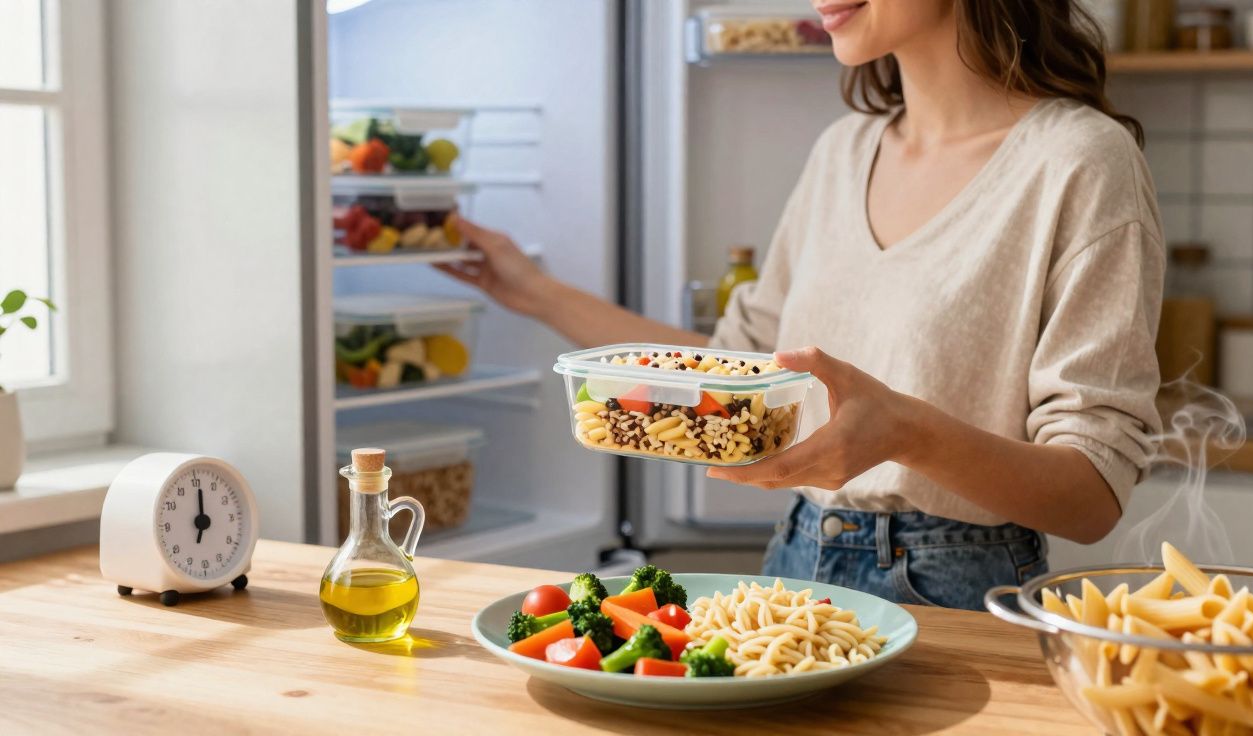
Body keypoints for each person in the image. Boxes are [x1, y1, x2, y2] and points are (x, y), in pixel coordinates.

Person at [440, 0, 1163, 610]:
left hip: (961, 587)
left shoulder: (1079, 161)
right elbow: (733, 368)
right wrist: (531, 292)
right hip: (792, 565)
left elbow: (1092, 498)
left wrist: (907, 433)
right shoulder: (842, 152)